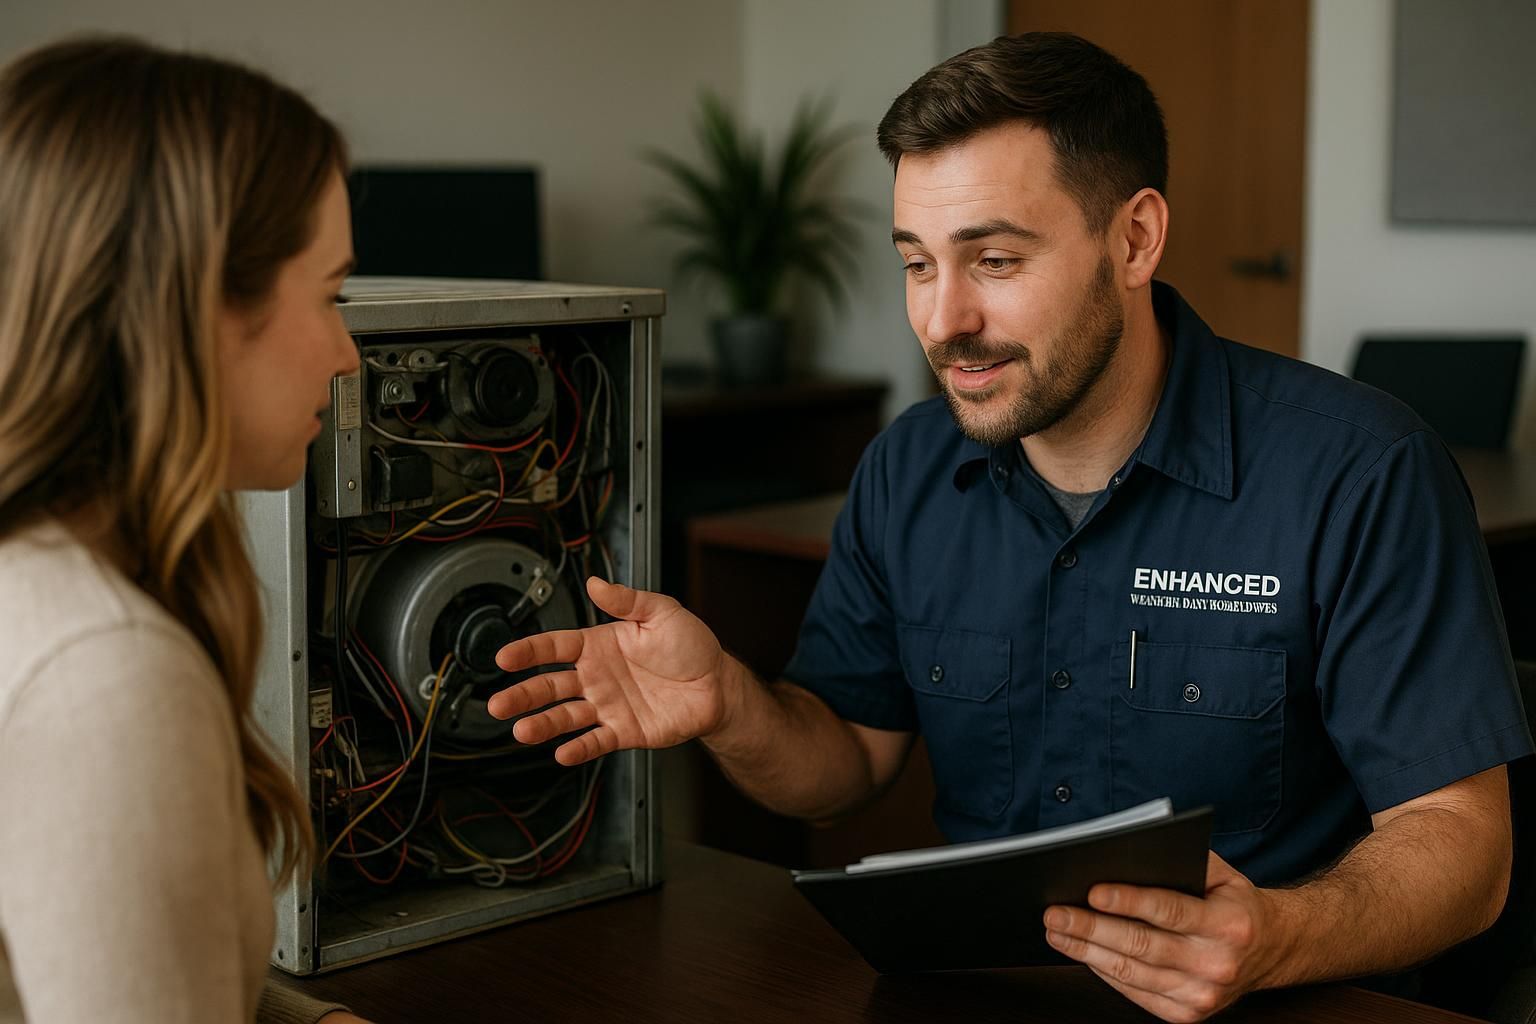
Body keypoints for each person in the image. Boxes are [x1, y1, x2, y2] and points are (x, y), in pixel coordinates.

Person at [488, 32, 1531, 1023]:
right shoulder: (906, 467)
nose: (943, 322)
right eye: (916, 263)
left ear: (1134, 237)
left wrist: (1276, 935)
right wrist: (728, 704)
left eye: (992, 261)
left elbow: (1462, 847)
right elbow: (847, 756)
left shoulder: (1359, 469)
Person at [0, 37, 371, 1023]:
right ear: (204, 307)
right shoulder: (103, 674)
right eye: (331, 296)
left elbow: (91, 957)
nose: (348, 358)